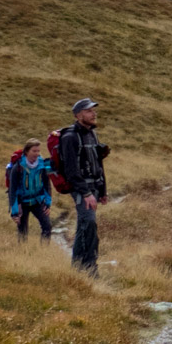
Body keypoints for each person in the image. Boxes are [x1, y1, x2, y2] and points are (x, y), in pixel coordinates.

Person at [56, 98, 109, 275]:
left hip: (94, 187)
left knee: (85, 226)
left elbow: (99, 164)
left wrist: (102, 191)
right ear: (78, 116)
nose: (94, 114)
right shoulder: (70, 137)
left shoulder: (91, 133)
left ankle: (79, 267)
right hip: (82, 190)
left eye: (94, 110)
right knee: (89, 224)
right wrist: (86, 193)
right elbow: (71, 170)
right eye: (88, 111)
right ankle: (89, 268)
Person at [5, 137, 54, 242]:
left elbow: (47, 184)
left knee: (47, 226)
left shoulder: (42, 165)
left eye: (38, 151)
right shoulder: (17, 167)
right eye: (34, 151)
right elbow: (12, 190)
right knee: (23, 232)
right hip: (22, 203)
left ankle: (44, 252)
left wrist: (48, 203)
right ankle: (23, 254)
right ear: (27, 151)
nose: (37, 154)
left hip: (38, 201)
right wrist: (14, 212)